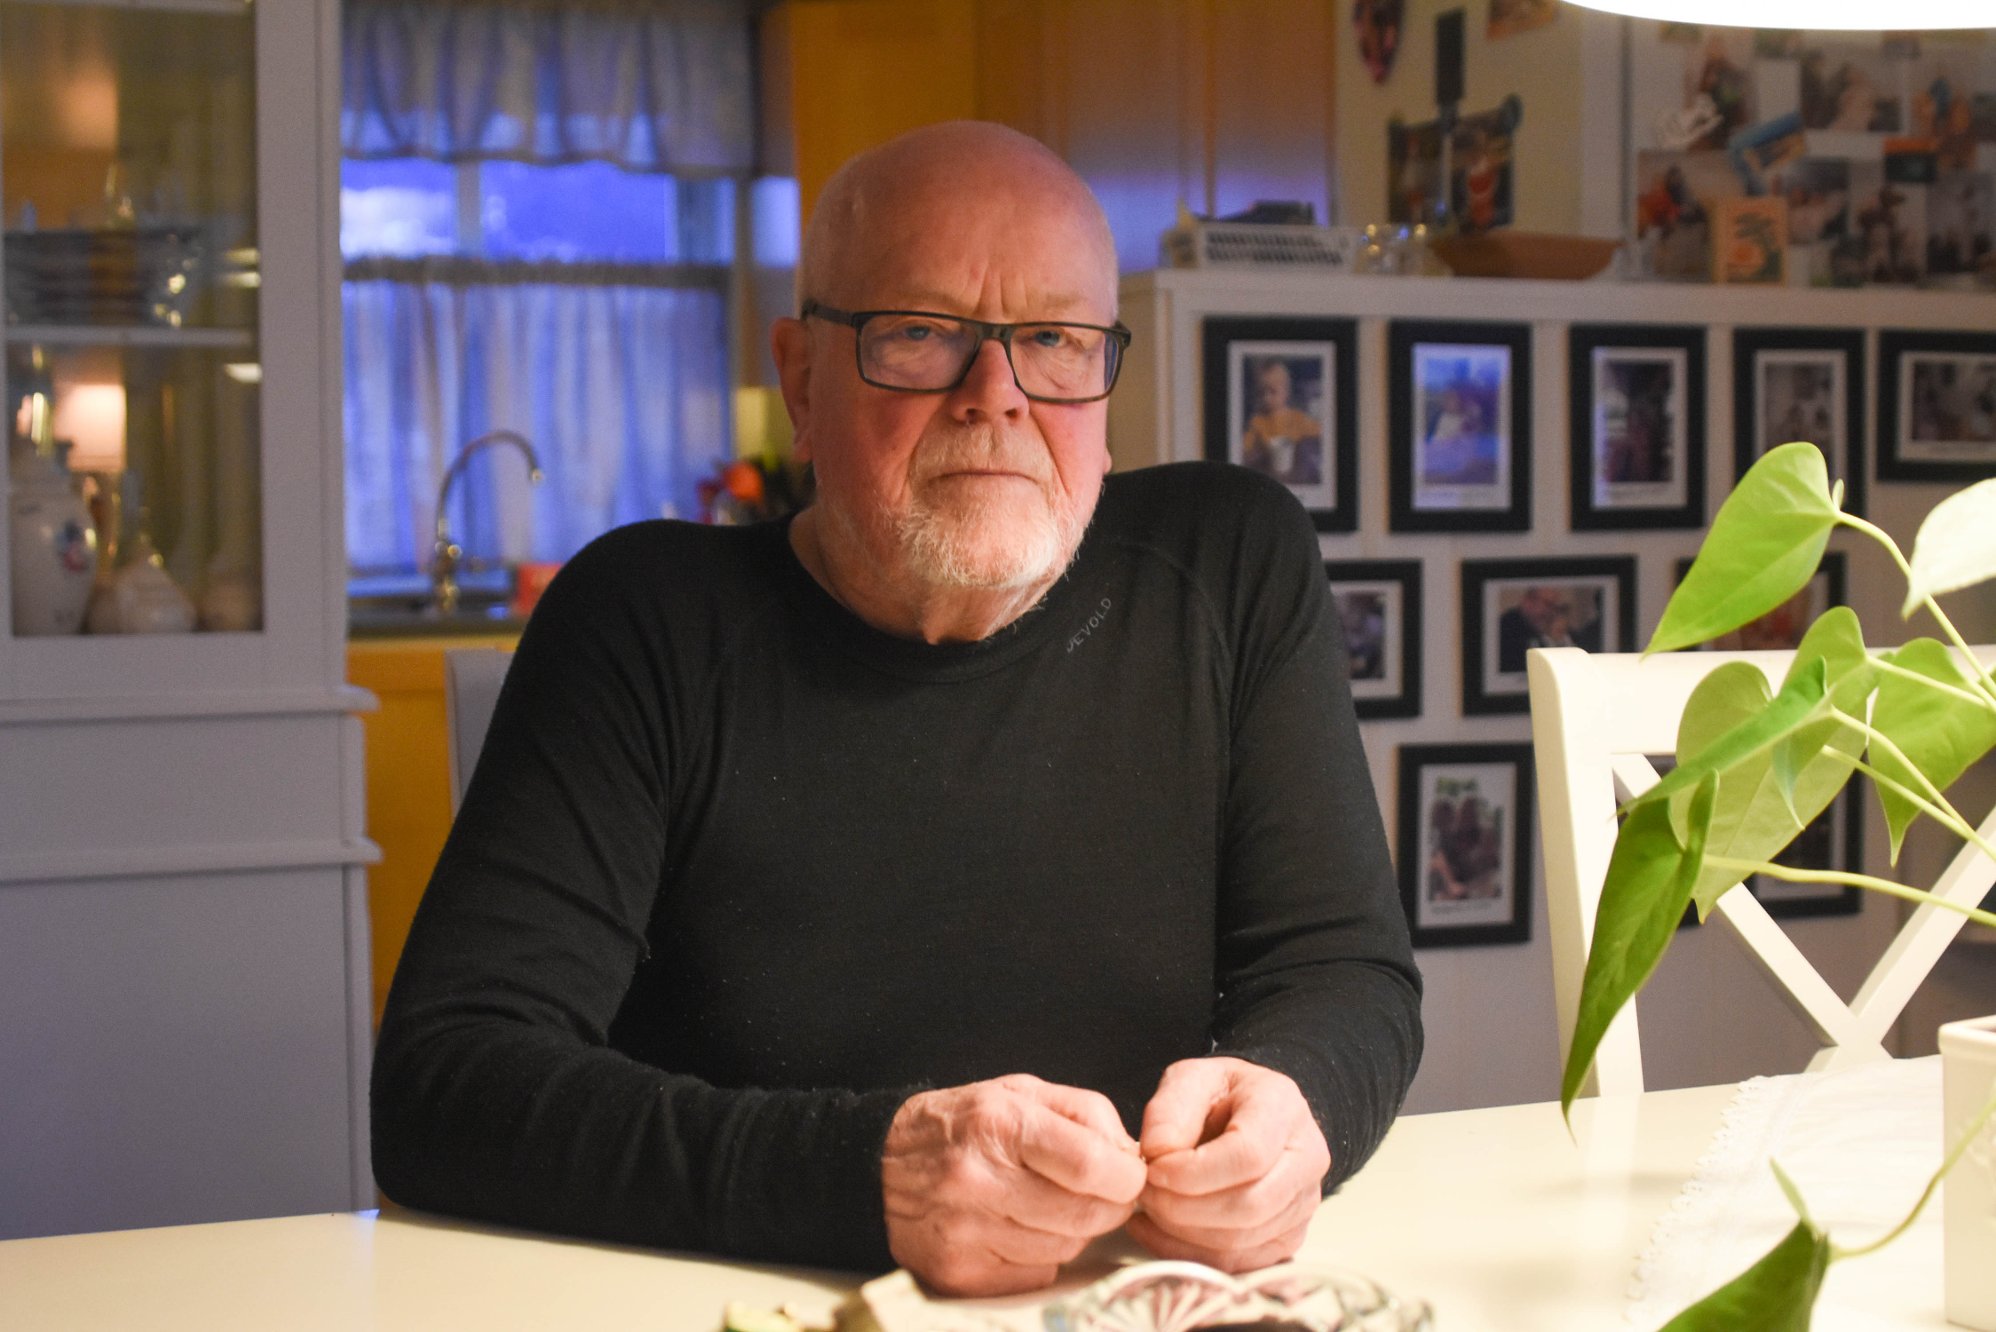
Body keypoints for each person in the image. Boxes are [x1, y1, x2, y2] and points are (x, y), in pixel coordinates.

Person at [370, 121, 1423, 1299]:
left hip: (1124, 1304)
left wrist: (1294, 1100)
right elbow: (444, 1086)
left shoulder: (1230, 563)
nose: (996, 396)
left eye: (1055, 340)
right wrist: (872, 1175)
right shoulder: (644, 617)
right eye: (920, 334)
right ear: (801, 379)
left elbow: (1343, 973)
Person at [1239, 359, 1324, 486]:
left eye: (1272, 391)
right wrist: (1256, 451)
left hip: (1295, 474)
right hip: (1268, 474)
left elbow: (1321, 432)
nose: (1266, 397)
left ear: (1286, 392)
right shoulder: (1257, 421)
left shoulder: (1298, 418)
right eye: (1261, 392)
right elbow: (1244, 449)